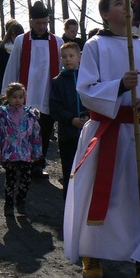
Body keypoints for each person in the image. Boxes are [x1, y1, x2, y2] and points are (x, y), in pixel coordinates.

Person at [63, 0, 140, 278]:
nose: (125, 9)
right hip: (105, 130)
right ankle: (93, 254)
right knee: (101, 193)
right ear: (105, 15)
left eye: (128, 4)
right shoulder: (95, 46)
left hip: (137, 132)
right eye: (117, 4)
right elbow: (86, 90)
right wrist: (119, 86)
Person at [2, 2, 63, 179]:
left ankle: (39, 164)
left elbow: (60, 69)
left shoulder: (57, 42)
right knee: (23, 132)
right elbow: (13, 67)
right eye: (39, 23)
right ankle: (22, 162)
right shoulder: (21, 40)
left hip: (47, 93)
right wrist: (7, 93)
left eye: (45, 23)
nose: (42, 27)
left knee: (43, 132)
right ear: (31, 22)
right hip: (25, 95)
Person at [0, 82, 43, 216]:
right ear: (8, 97)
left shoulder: (30, 114)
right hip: (9, 152)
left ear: (24, 97)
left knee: (26, 178)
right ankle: (8, 204)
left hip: (26, 153)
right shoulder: (2, 114)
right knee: (10, 179)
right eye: (14, 97)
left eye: (20, 97)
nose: (17, 100)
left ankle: (21, 201)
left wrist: (37, 151)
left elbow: (36, 134)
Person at [49, 41, 88, 201]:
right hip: (68, 134)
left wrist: (88, 116)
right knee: (69, 171)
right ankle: (69, 205)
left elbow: (93, 100)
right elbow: (55, 107)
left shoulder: (87, 78)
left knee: (86, 170)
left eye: (71, 56)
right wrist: (71, 120)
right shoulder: (57, 82)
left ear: (79, 57)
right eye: (64, 56)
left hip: (87, 132)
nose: (68, 59)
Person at [0, 20, 24, 97]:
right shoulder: (2, 49)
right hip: (4, 81)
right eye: (13, 35)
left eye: (17, 35)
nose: (15, 37)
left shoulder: (26, 48)